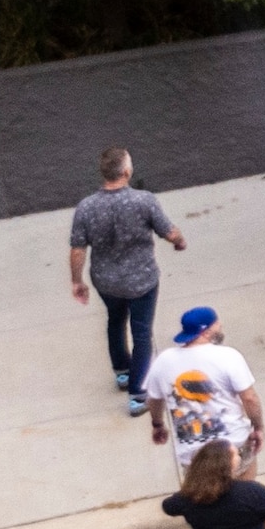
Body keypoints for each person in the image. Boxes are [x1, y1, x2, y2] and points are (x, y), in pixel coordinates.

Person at [69, 142, 181, 402]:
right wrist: (180, 242)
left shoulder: (86, 207)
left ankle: (122, 370)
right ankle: (138, 393)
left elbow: (77, 249)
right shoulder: (144, 201)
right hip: (142, 281)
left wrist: (77, 281)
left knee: (115, 320)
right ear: (126, 173)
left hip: (106, 282)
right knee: (142, 334)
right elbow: (169, 231)